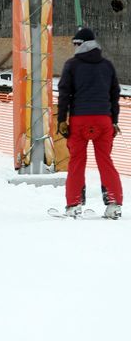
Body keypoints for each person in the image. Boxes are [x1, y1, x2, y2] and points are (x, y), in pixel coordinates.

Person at [57, 27, 123, 219]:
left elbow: (64, 94)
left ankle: (73, 204)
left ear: (83, 44)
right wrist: (114, 121)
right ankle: (114, 204)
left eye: (76, 44)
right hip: (103, 120)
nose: (74, 47)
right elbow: (114, 94)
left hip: (80, 120)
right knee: (105, 161)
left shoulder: (72, 65)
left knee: (77, 162)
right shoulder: (107, 65)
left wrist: (62, 119)